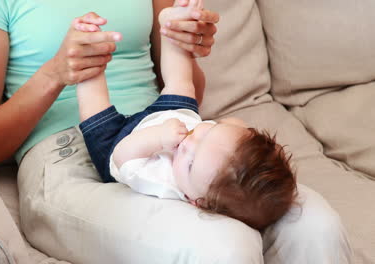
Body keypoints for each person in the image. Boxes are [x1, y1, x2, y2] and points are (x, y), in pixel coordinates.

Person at [0, 0, 352, 263]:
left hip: (171, 136)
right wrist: (58, 74)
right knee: (224, 248)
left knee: (316, 226)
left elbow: (180, 82)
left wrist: (187, 42)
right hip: (65, 155)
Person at [75, 0, 297, 231]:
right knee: (181, 84)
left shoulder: (163, 182)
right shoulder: (205, 159)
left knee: (94, 110)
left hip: (123, 144)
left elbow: (124, 154)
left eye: (190, 163)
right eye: (207, 134)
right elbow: (233, 129)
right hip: (170, 119)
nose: (188, 143)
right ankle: (172, 27)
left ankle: (89, 53)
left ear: (196, 201)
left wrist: (160, 138)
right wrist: (235, 135)